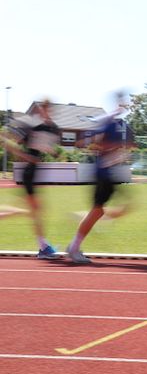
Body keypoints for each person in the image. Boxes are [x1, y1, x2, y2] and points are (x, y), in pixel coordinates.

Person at [66, 93, 132, 263]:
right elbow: (96, 144)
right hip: (103, 172)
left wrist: (120, 150)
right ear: (120, 104)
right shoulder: (109, 121)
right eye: (125, 103)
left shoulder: (116, 123)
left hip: (107, 172)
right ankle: (74, 246)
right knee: (99, 210)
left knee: (109, 208)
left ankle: (83, 230)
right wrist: (116, 147)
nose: (127, 106)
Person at [0, 100, 61, 259]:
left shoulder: (48, 128)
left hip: (34, 173)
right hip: (29, 173)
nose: (47, 112)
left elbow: (44, 146)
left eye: (49, 109)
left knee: (31, 211)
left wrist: (53, 152)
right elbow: (5, 141)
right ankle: (43, 248)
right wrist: (26, 156)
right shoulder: (32, 126)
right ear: (40, 110)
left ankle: (44, 246)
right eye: (44, 109)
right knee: (34, 212)